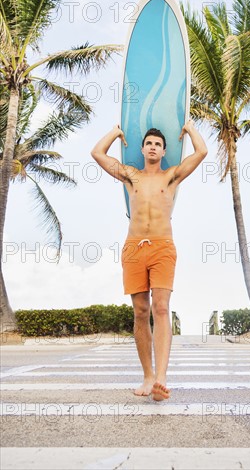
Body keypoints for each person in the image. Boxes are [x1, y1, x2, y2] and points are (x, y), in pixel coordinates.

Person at [91, 119, 207, 401]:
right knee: (141, 311)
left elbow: (201, 152)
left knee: (162, 308)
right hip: (133, 248)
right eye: (149, 144)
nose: (153, 147)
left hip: (163, 247)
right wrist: (116, 132)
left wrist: (190, 129)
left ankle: (161, 379)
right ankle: (147, 376)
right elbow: (97, 154)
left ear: (164, 151)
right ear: (142, 149)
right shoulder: (131, 175)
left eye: (158, 144)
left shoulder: (172, 176)